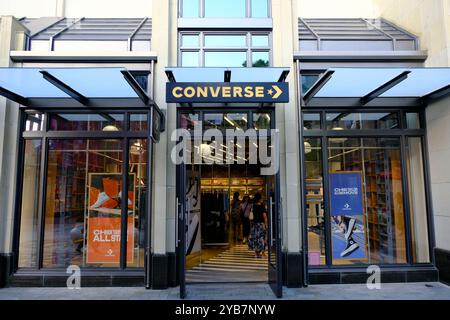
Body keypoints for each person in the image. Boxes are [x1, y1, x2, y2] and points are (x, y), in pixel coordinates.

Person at [248, 193, 268, 258]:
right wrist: (266, 224)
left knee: (256, 238)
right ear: (259, 199)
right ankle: (262, 252)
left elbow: (251, 217)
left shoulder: (253, 206)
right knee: (262, 238)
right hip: (261, 224)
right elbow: (264, 216)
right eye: (261, 198)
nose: (262, 199)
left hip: (255, 224)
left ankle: (256, 253)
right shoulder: (262, 206)